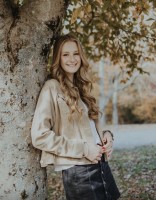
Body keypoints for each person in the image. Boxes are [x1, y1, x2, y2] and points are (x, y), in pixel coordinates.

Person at [31, 33, 120, 200]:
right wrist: (84, 148)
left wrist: (107, 136)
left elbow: (90, 129)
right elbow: (39, 136)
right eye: (65, 54)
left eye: (75, 53)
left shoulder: (81, 87)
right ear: (58, 58)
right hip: (79, 173)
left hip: (101, 164)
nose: (72, 59)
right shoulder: (52, 88)